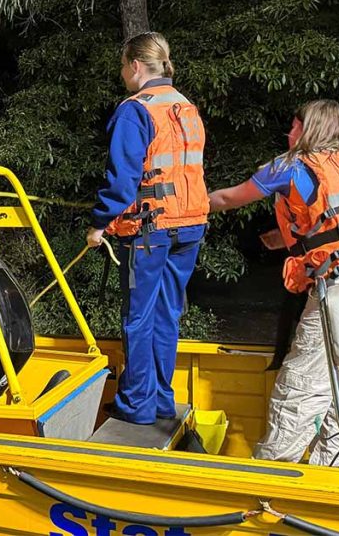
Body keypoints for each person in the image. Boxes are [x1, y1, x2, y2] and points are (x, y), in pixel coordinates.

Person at [208, 99, 339, 467]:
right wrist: (283, 239)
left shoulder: (291, 166)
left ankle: (270, 482)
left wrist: (193, 204)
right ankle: (330, 481)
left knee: (300, 387)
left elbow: (230, 197)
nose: (289, 133)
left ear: (311, 129)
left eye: (295, 127)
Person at [86, 32, 210, 425]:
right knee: (166, 315)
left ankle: (136, 404)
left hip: (149, 231)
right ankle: (159, 400)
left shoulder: (135, 110)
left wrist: (99, 223)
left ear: (135, 66)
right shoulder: (185, 106)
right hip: (189, 226)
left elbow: (122, 180)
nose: (123, 73)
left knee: (138, 318)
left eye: (123, 66)